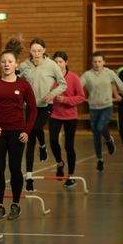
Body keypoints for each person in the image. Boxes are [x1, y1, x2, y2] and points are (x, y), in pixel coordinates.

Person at [0, 38, 37, 222]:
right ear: (0, 64)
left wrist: (27, 131)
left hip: (17, 134)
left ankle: (15, 204)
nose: (6, 64)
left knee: (15, 169)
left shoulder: (23, 85)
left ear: (16, 64)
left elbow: (33, 109)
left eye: (10, 62)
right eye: (3, 61)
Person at [19, 38, 67, 192]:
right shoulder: (24, 66)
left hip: (46, 106)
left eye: (39, 50)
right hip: (30, 107)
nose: (36, 53)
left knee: (34, 129)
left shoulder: (52, 65)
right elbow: (18, 82)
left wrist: (52, 94)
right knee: (29, 140)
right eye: (33, 51)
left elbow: (62, 84)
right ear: (30, 51)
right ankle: (29, 177)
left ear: (44, 50)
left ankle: (43, 146)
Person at [80, 51, 123, 171]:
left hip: (106, 107)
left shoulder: (109, 73)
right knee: (96, 135)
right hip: (93, 108)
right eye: (95, 62)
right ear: (92, 62)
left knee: (100, 126)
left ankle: (108, 139)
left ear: (104, 62)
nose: (97, 64)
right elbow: (77, 86)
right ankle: (100, 159)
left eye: (99, 61)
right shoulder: (87, 75)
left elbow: (121, 86)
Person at [49, 51, 86, 188]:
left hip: (70, 116)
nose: (58, 64)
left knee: (69, 146)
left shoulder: (73, 77)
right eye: (56, 62)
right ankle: (59, 163)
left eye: (60, 61)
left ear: (66, 63)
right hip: (54, 115)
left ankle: (70, 176)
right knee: (53, 141)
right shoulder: (51, 78)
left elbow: (81, 97)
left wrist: (66, 100)